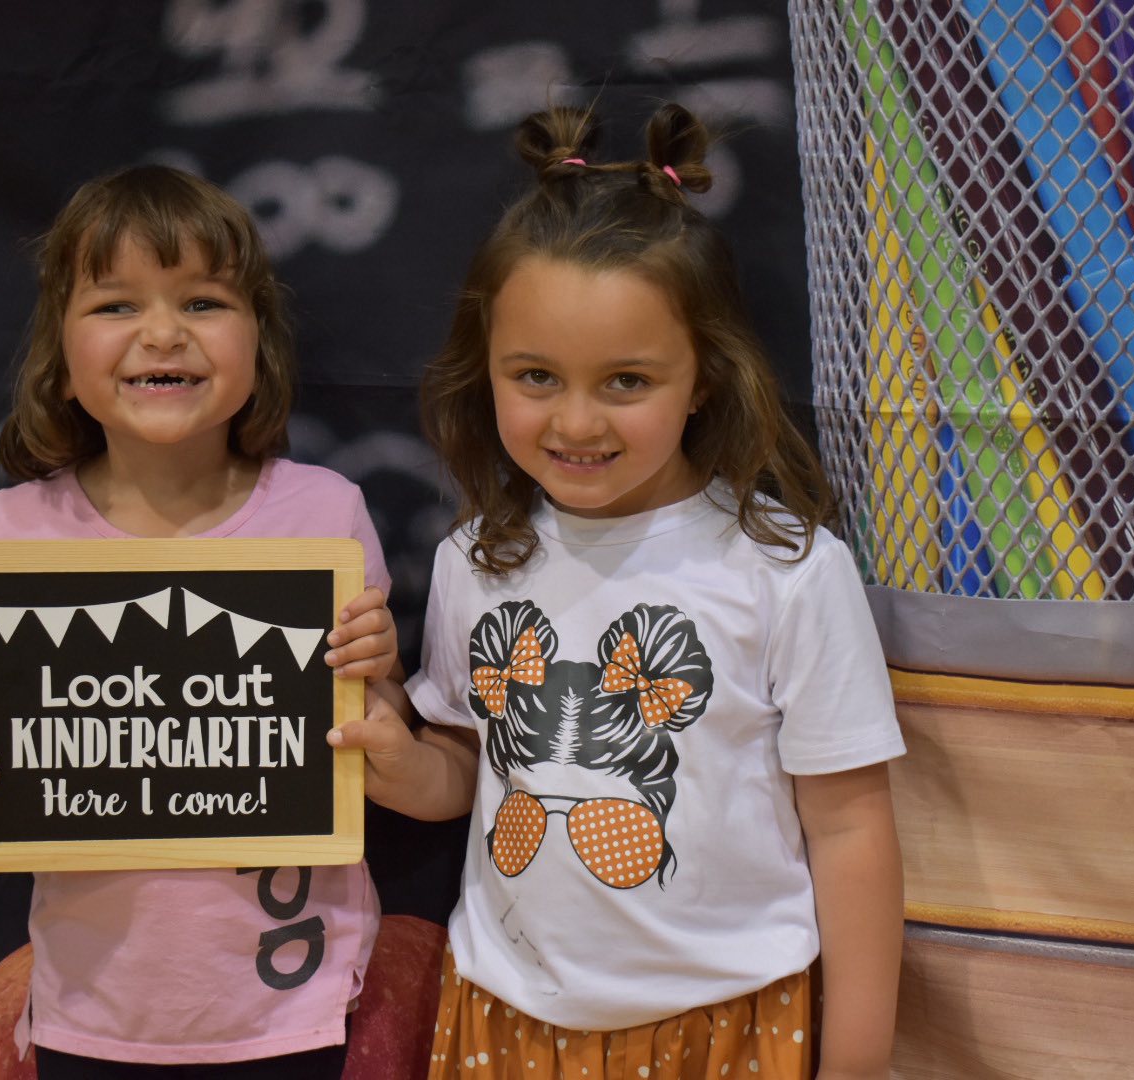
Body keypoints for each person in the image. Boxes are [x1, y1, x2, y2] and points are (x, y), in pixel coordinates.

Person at [329, 104, 906, 1080]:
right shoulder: (480, 559)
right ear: (490, 374)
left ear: (705, 379)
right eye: (538, 376)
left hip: (729, 1022)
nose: (577, 420)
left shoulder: (787, 570)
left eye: (627, 380)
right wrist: (389, 753)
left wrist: (855, 1061)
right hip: (503, 1018)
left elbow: (851, 826)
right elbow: (466, 777)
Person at [0, 164, 399, 1078]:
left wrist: (380, 675)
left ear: (260, 340)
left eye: (204, 302)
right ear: (60, 347)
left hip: (292, 1003)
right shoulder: (11, 532)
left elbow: (385, 740)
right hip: (91, 1008)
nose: (162, 333)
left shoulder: (325, 515)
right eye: (116, 306)